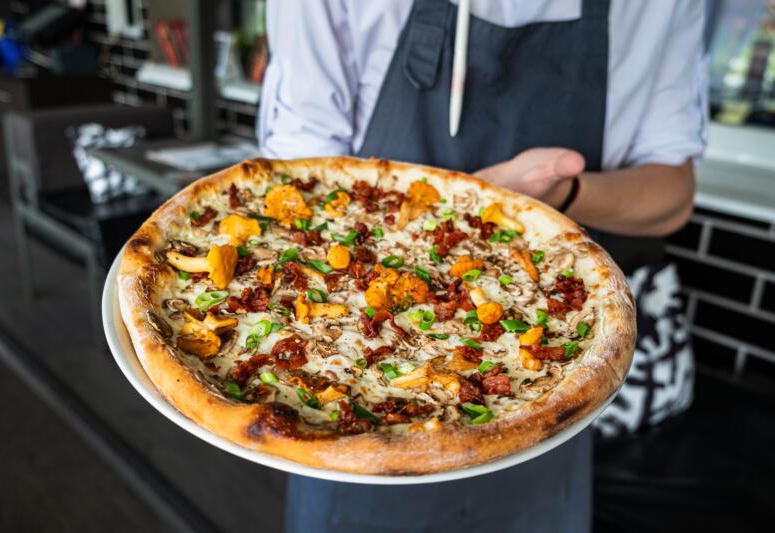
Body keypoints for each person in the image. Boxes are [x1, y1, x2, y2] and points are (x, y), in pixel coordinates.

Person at [257, 1, 707, 531]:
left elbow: (672, 197)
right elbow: (298, 179)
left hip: (548, 379)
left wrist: (564, 193)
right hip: (345, 389)